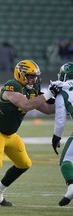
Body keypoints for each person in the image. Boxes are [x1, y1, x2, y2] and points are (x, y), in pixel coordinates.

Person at [0, 59, 60, 209]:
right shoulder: (12, 86)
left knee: (24, 163)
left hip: (10, 134)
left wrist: (64, 100)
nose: (34, 79)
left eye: (35, 76)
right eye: (30, 76)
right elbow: (26, 105)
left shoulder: (31, 90)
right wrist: (49, 93)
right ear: (20, 74)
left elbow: (47, 109)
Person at [51, 62, 73, 206]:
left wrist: (56, 137)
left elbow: (60, 120)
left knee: (66, 160)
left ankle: (71, 187)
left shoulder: (62, 88)